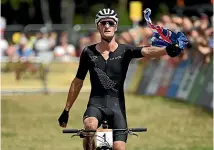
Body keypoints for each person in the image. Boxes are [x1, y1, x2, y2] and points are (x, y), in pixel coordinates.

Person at [58, 8, 186, 150]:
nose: (107, 26)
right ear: (98, 26)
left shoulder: (125, 51)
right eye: (103, 23)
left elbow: (147, 50)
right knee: (90, 126)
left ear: (116, 26)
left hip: (117, 108)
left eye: (111, 23)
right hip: (96, 105)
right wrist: (66, 110)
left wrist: (167, 50)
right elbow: (78, 82)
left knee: (119, 148)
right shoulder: (88, 52)